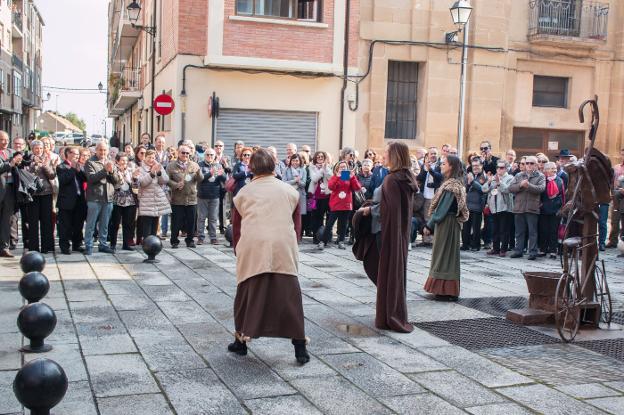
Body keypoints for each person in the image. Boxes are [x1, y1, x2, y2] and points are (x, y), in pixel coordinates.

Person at [228, 148, 309, 364]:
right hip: (283, 246)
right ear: (274, 166)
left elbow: (237, 228)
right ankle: (299, 346)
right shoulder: (289, 191)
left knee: (247, 294)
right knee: (289, 297)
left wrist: (239, 249)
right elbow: (297, 226)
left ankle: (241, 342)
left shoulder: (244, 193)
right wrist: (293, 244)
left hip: (254, 246)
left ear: (251, 168)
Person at [359, 142, 418, 331]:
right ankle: (390, 311)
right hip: (395, 233)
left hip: (387, 232)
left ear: (395, 156)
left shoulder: (392, 179)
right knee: (390, 273)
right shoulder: (404, 176)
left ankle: (389, 315)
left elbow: (389, 210)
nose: (382, 156)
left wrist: (369, 209)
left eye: (386, 153)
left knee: (386, 273)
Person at [423, 156, 469, 301]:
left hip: (447, 223)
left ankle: (444, 290)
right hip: (450, 223)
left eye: (444, 164)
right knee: (447, 256)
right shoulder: (452, 183)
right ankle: (446, 290)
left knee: (443, 255)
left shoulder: (451, 186)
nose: (441, 166)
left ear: (452, 167)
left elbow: (442, 209)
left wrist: (429, 224)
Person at [84, 142, 119, 255]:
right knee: (91, 224)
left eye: (105, 150)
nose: (103, 152)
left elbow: (116, 180)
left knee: (105, 224)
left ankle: (103, 245)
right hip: (95, 198)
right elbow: (91, 179)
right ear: (96, 150)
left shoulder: (111, 162)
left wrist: (112, 171)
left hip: (108, 198)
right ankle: (88, 246)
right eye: (100, 150)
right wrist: (105, 170)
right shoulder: (90, 162)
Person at [318, 160, 361, 250]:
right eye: (341, 167)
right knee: (330, 224)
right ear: (337, 168)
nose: (343, 168)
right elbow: (331, 187)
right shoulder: (335, 176)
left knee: (343, 224)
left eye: (344, 167)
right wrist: (337, 177)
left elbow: (357, 188)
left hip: (346, 204)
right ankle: (323, 241)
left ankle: (341, 241)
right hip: (336, 204)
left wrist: (353, 178)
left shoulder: (347, 176)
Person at [509, 156, 545, 260]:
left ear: (536, 165)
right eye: (527, 163)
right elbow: (511, 188)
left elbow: (541, 189)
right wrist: (520, 185)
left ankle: (532, 252)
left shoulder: (541, 176)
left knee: (532, 232)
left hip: (532, 208)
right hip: (519, 207)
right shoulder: (519, 175)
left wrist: (528, 185)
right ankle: (518, 250)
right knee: (519, 231)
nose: (528, 165)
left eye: (531, 163)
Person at [167, 144, 203, 248]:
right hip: (177, 199)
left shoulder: (194, 165)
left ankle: (190, 240)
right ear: (178, 153)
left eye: (187, 153)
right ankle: (174, 241)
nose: (185, 155)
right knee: (176, 222)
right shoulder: (171, 165)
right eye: (183, 152)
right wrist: (175, 185)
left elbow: (200, 180)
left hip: (191, 198)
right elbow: (166, 180)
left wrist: (199, 172)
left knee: (191, 222)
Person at [23, 140, 56, 253]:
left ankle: (47, 247)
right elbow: (25, 174)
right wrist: (34, 166)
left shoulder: (47, 159)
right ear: (32, 149)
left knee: (46, 221)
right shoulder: (27, 160)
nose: (39, 150)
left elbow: (52, 175)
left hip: (46, 192)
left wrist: (45, 165)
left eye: (41, 148)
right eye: (36, 148)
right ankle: (33, 247)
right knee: (33, 222)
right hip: (33, 194)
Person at [482, 160, 514, 257]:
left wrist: (499, 183)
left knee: (504, 229)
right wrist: (488, 181)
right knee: (495, 229)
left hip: (504, 207)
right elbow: (484, 189)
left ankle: (503, 249)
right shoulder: (493, 178)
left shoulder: (510, 178)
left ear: (506, 168)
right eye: (497, 167)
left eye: (501, 168)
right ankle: (496, 248)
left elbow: (508, 190)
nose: (499, 170)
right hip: (493, 207)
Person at [137, 150, 171, 238]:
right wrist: (151, 173)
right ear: (145, 157)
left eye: (153, 158)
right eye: (149, 157)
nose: (151, 160)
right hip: (146, 200)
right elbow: (142, 183)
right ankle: (147, 242)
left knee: (155, 222)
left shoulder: (158, 166)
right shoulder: (140, 168)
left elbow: (165, 180)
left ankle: (153, 243)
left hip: (156, 200)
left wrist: (159, 173)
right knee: (147, 223)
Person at [108, 153, 138, 251]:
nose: (124, 163)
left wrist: (134, 178)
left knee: (128, 224)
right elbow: (115, 182)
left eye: (126, 161)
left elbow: (135, 186)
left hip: (130, 201)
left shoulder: (131, 171)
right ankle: (113, 244)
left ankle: (126, 244)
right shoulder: (113, 170)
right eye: (122, 160)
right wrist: (119, 173)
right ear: (117, 161)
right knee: (115, 224)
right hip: (117, 200)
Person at [197, 148, 226, 245]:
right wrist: (211, 173)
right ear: (204, 156)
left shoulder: (218, 165)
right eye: (207, 155)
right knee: (201, 218)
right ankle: (200, 237)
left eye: (211, 155)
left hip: (215, 195)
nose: (209, 157)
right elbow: (200, 178)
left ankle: (213, 237)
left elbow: (225, 179)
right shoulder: (200, 165)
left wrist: (221, 174)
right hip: (202, 196)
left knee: (213, 218)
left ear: (214, 156)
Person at [416, 147, 443, 246]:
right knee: (425, 217)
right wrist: (424, 169)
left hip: (434, 196)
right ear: (428, 155)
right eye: (431, 153)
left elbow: (440, 178)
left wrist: (430, 170)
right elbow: (420, 178)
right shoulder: (424, 165)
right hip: (425, 195)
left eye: (435, 153)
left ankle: (432, 240)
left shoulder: (440, 166)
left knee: (432, 218)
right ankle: (426, 239)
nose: (433, 155)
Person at [539, 162, 564, 259]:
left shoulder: (560, 180)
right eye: (551, 168)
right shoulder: (542, 180)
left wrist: (561, 207)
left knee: (554, 231)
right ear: (546, 170)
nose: (554, 170)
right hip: (544, 209)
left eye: (555, 168)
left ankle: (553, 250)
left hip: (555, 209)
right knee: (543, 230)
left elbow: (562, 195)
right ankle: (543, 250)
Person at [462, 158, 486, 251]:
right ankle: (465, 244)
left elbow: (483, 189)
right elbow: (465, 189)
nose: (475, 167)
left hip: (477, 205)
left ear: (481, 166)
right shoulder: (468, 175)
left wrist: (472, 182)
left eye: (477, 165)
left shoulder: (484, 177)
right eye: (473, 165)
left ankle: (476, 245)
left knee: (476, 227)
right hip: (467, 205)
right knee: (465, 227)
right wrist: (468, 183)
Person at [308, 151, 332, 242]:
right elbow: (314, 179)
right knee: (316, 217)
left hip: (326, 196)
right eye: (318, 157)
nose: (320, 158)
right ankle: (316, 237)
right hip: (315, 197)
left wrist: (325, 169)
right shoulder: (312, 167)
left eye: (322, 157)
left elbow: (330, 178)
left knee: (327, 217)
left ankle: (325, 236)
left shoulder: (328, 167)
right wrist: (322, 170)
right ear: (315, 158)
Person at [283, 154, 307, 238]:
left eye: (297, 160)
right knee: (289, 215)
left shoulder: (303, 170)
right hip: (289, 194)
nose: (295, 162)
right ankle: (288, 236)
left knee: (298, 217)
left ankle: (297, 236)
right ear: (291, 161)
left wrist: (298, 181)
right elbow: (284, 182)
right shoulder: (286, 169)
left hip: (300, 195)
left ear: (300, 161)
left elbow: (304, 184)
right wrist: (294, 180)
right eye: (293, 160)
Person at [10, 137, 28, 249]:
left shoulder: (28, 156)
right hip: (12, 191)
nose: (18, 145)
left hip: (25, 192)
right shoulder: (9, 155)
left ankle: (27, 242)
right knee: (13, 218)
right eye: (16, 143)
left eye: (20, 144)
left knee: (27, 218)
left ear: (25, 145)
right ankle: (13, 242)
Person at [607, 148, 624, 248]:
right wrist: (611, 193)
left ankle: (623, 243)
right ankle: (613, 241)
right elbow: (610, 181)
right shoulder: (616, 168)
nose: (623, 156)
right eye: (622, 154)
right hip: (615, 197)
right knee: (614, 220)